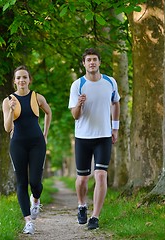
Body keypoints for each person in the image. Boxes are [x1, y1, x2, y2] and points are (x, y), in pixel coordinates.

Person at [68, 48, 120, 230]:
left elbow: (116, 103)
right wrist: (79, 104)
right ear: (83, 64)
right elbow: (75, 115)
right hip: (83, 137)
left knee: (100, 174)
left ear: (99, 62)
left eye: (95, 59)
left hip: (104, 136)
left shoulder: (110, 82)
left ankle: (95, 217)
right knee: (82, 178)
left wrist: (115, 128)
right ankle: (82, 205)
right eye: (88, 60)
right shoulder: (77, 85)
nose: (92, 62)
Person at [2, 65, 52, 234]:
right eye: (18, 78)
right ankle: (28, 221)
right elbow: (7, 128)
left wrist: (45, 134)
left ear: (29, 79)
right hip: (18, 145)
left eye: (24, 77)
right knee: (21, 183)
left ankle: (36, 200)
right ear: (14, 81)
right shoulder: (8, 100)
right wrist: (10, 109)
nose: (21, 80)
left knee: (35, 183)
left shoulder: (37, 97)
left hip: (37, 144)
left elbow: (48, 112)